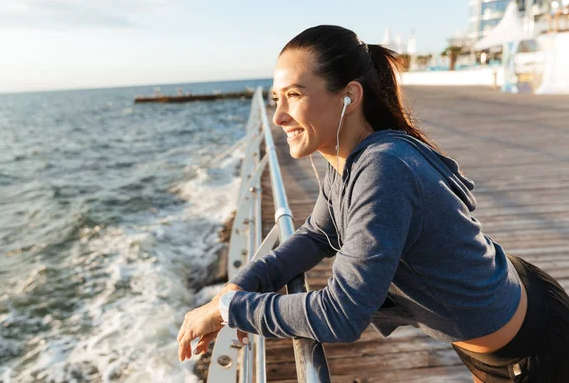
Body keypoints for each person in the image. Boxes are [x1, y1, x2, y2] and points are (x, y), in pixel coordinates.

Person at [177, 25, 569, 382]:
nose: (278, 116)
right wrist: (237, 287)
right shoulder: (346, 158)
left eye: (294, 95)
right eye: (276, 98)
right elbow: (316, 235)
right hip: (492, 327)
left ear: (349, 95)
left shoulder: (383, 168)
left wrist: (232, 310)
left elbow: (341, 315)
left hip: (531, 345)